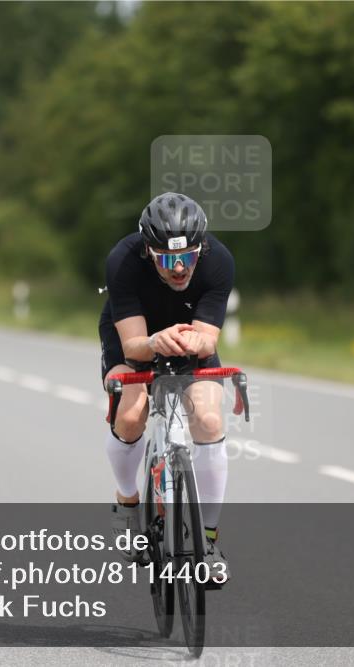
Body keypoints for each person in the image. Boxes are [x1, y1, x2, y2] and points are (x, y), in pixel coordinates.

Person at [100, 192, 234, 584]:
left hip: (190, 336)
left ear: (201, 249)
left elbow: (207, 341)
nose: (178, 269)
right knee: (130, 416)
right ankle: (127, 501)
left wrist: (193, 342)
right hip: (137, 334)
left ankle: (208, 540)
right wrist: (156, 342)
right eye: (166, 259)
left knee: (209, 421)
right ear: (148, 251)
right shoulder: (123, 261)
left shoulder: (219, 261)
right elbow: (132, 347)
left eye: (187, 258)